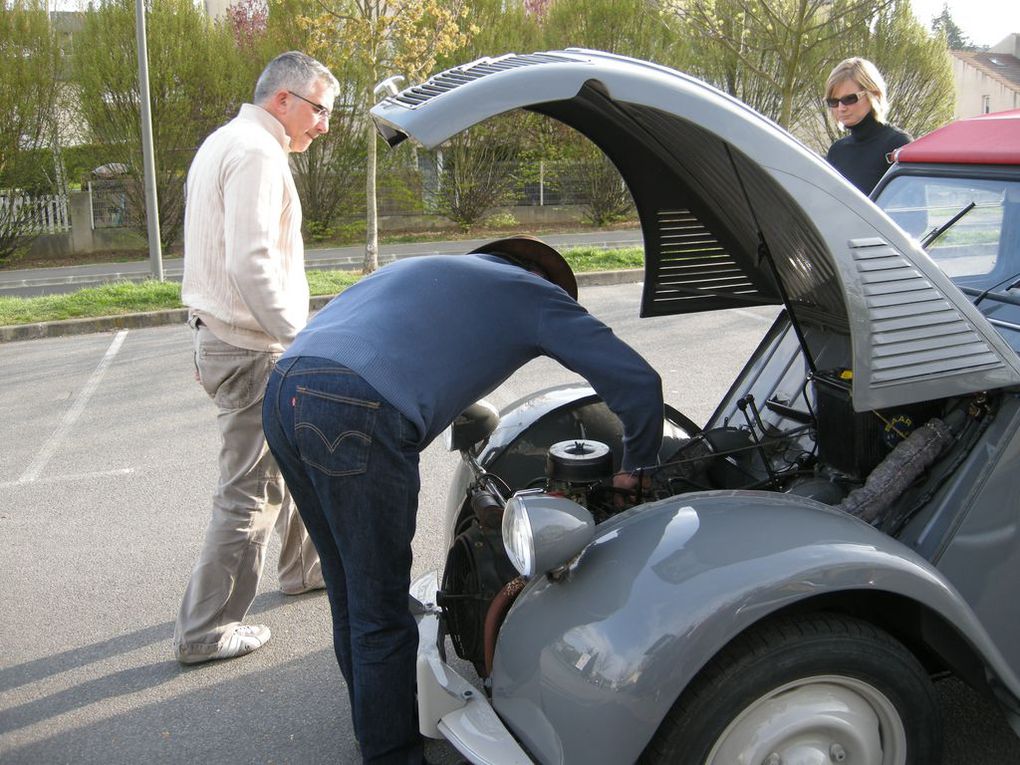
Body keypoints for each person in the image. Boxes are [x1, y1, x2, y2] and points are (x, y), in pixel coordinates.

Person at [262, 236, 664, 764]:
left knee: (350, 589)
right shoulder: (533, 294)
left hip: (284, 388)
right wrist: (638, 469)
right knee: (381, 609)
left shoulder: (435, 271)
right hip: (354, 408)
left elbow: (420, 351)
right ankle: (391, 753)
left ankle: (378, 719)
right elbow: (637, 381)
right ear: (548, 283)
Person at [173, 51, 340, 665]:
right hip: (251, 347)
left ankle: (302, 569)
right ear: (284, 101)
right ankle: (207, 630)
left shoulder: (227, 141)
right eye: (320, 110)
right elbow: (250, 262)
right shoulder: (258, 153)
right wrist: (301, 338)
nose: (323, 125)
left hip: (227, 339)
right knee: (250, 493)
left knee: (294, 456)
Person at [824, 57, 911, 195]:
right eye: (833, 101)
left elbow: (913, 211)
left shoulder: (898, 145)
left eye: (849, 99)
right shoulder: (837, 151)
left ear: (874, 94)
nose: (841, 108)